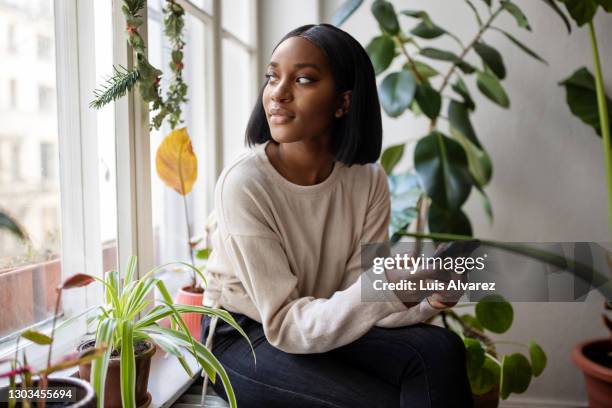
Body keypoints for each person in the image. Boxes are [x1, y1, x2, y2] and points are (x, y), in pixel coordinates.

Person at [200, 23, 474, 408]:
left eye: (304, 79)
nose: (278, 94)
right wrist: (383, 284)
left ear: (343, 102)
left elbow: (357, 299)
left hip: (320, 317)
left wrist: (427, 299)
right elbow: (284, 324)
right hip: (245, 335)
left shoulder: (368, 180)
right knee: (378, 400)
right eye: (273, 76)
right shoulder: (244, 183)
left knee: (442, 348)